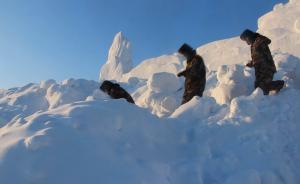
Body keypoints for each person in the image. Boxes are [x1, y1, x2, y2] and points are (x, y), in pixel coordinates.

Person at [240, 29, 284, 95]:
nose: (247, 43)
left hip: (266, 68)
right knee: (258, 86)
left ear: (248, 37)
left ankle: (280, 84)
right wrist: (250, 64)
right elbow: (257, 57)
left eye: (246, 40)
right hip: (260, 69)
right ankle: (263, 99)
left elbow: (261, 55)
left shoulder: (259, 41)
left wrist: (257, 37)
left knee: (262, 87)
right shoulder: (254, 44)